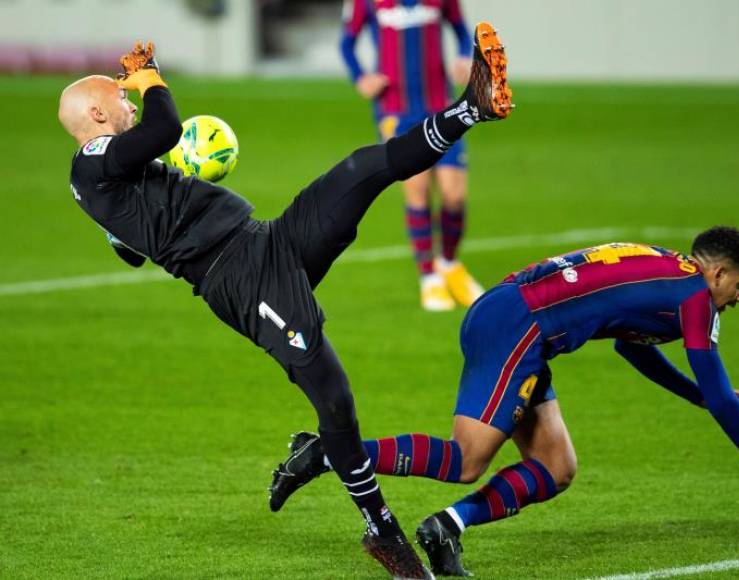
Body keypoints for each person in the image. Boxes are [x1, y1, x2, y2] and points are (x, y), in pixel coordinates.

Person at [58, 25, 511, 579]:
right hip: (243, 281)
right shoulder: (92, 160)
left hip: (265, 240)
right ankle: (381, 529)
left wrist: (130, 221)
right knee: (336, 399)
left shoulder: (102, 176)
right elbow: (166, 127)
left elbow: (131, 243)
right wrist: (152, 79)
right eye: (118, 96)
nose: (126, 98)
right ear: (96, 117)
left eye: (128, 91)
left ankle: (471, 108)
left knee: (364, 168)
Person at [268, 227, 739, 576]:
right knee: (467, 461)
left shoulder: (670, 273)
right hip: (519, 327)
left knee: (557, 467)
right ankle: (323, 453)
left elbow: (632, 348)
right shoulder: (696, 299)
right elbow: (713, 386)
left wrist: (704, 397)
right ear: (717, 272)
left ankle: (446, 528)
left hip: (518, 321)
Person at [340, 0, 484, 311]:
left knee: (454, 194)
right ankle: (429, 278)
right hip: (396, 110)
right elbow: (347, 42)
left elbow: (460, 30)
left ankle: (449, 264)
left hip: (441, 104)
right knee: (417, 189)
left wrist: (462, 57)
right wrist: (360, 78)